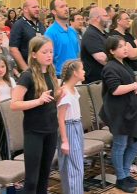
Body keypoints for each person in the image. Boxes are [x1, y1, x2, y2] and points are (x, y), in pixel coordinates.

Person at [11, 36, 58, 194]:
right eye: (44, 52)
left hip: (51, 129)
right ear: (34, 54)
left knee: (45, 175)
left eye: (51, 51)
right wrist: (38, 101)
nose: (49, 55)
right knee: (32, 179)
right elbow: (14, 104)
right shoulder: (27, 76)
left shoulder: (51, 73)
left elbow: (51, 103)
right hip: (34, 131)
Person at [100, 35, 137, 193]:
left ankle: (125, 173)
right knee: (120, 144)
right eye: (120, 46)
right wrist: (134, 85)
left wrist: (135, 87)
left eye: (125, 45)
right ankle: (121, 177)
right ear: (111, 51)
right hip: (118, 111)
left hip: (130, 110)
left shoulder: (123, 63)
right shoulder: (110, 67)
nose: (125, 48)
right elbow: (115, 89)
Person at [57, 59, 86, 194]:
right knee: (73, 167)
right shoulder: (65, 93)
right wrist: (65, 141)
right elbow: (61, 118)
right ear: (75, 73)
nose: (84, 71)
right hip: (69, 128)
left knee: (78, 165)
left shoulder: (73, 90)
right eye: (82, 69)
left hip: (77, 126)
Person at [45, 0, 80, 77]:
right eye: (62, 7)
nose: (66, 9)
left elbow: (77, 54)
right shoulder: (50, 32)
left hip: (75, 75)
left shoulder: (72, 31)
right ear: (54, 11)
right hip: (60, 76)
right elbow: (47, 60)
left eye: (66, 6)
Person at [10, 0, 46, 72]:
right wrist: (26, 69)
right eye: (34, 7)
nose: (37, 9)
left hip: (41, 68)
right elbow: (13, 49)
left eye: (38, 7)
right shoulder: (18, 25)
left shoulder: (40, 25)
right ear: (25, 9)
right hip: (28, 68)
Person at [81, 7, 110, 83]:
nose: (108, 18)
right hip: (96, 82)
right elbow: (101, 58)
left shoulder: (103, 33)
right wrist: (117, 63)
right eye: (105, 15)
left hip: (104, 78)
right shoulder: (91, 35)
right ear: (97, 18)